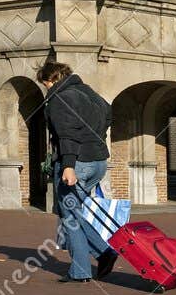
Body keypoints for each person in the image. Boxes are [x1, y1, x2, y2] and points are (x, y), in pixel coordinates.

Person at [38, 60, 118, 282]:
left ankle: (95, 260)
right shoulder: (90, 93)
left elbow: (68, 134)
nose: (46, 88)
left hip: (78, 163)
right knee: (72, 214)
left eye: (45, 83)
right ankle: (94, 260)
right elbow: (109, 116)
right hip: (98, 162)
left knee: (70, 216)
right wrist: (94, 140)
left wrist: (68, 166)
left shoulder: (60, 98)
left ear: (51, 79)